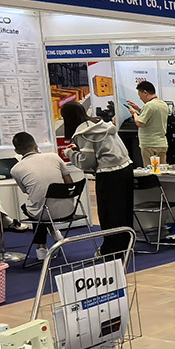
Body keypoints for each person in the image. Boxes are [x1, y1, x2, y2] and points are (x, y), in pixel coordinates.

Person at [60, 100, 135, 256]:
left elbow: (87, 162)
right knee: (124, 210)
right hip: (126, 168)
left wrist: (70, 153)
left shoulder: (83, 133)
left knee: (109, 213)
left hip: (108, 173)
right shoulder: (102, 124)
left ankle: (111, 250)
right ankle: (126, 246)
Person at [8, 130, 79, 225]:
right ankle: (53, 232)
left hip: (42, 214)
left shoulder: (15, 169)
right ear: (36, 145)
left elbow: (27, 191)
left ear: (16, 151)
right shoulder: (54, 157)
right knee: (41, 204)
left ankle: (42, 235)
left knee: (34, 206)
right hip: (68, 210)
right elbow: (70, 184)